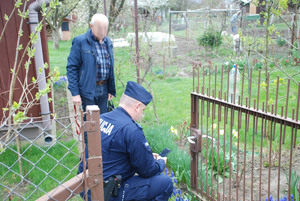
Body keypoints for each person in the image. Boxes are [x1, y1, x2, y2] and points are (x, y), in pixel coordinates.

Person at [78, 81, 173, 201]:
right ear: (137, 106)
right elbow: (147, 171)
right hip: (107, 193)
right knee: (165, 183)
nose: (142, 114)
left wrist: (146, 157)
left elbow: (112, 153)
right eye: (143, 110)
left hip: (86, 186)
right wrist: (160, 163)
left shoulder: (102, 118)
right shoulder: (131, 129)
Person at [66, 13, 115, 114]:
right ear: (91, 26)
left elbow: (109, 67)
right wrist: (75, 93)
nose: (103, 30)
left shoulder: (108, 42)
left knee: (103, 123)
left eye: (105, 27)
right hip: (88, 90)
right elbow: (72, 67)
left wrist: (111, 89)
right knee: (90, 124)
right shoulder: (80, 42)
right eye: (100, 27)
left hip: (104, 89)